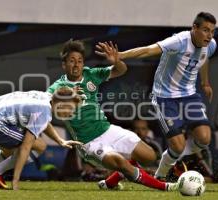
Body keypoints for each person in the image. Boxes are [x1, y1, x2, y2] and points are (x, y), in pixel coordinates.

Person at [96, 12, 217, 180]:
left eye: (212, 31)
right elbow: (148, 50)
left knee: (204, 139)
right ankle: (161, 174)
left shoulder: (210, 44)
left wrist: (205, 83)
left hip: (189, 95)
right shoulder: (179, 41)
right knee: (178, 145)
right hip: (164, 97)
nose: (209, 35)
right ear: (194, 28)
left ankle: (175, 158)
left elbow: (204, 58)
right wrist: (120, 56)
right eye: (205, 30)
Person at [47, 39, 178, 191]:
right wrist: (67, 96)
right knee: (121, 163)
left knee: (150, 156)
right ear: (64, 65)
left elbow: (121, 70)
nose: (76, 65)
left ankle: (109, 183)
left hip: (108, 130)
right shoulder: (57, 87)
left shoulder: (90, 74)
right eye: (71, 61)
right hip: (89, 143)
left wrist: (116, 61)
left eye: (80, 61)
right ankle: (165, 187)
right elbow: (49, 103)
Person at [0, 87, 82, 190]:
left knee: (8, 151)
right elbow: (26, 147)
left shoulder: (47, 97)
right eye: (71, 108)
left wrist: (60, 140)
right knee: (40, 146)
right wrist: (16, 180)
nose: (71, 113)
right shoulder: (44, 111)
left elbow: (43, 121)